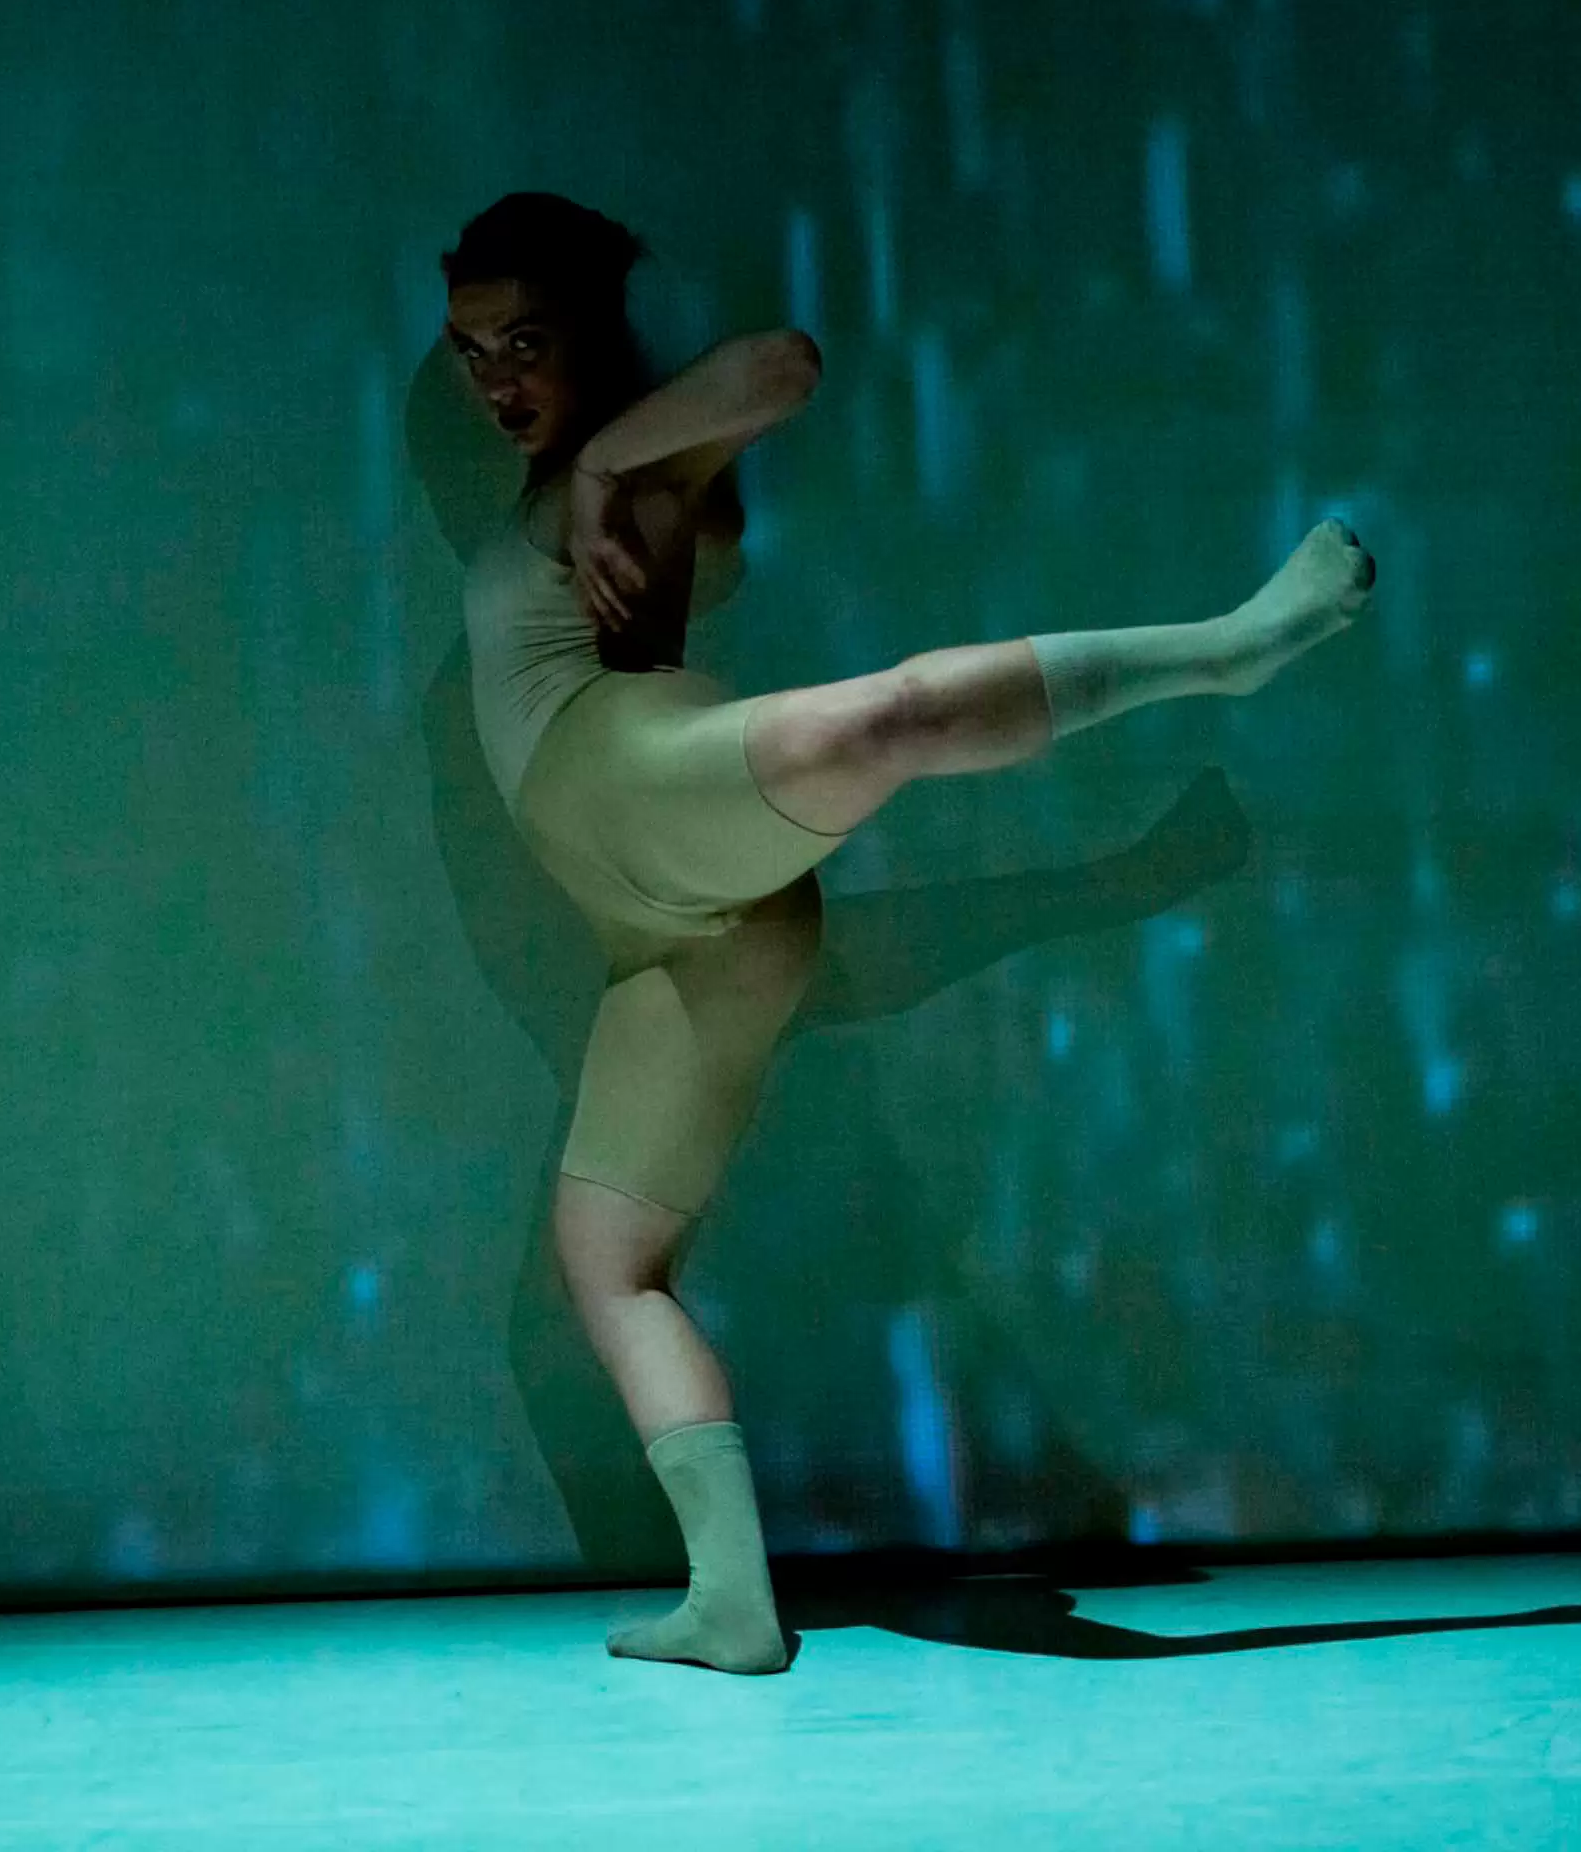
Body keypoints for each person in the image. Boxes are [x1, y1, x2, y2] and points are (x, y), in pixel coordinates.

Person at [439, 191, 1375, 1673]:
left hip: (627, 786)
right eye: (473, 350)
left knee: (884, 719)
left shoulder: (618, 475)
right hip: (672, 929)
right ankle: (731, 1601)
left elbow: (784, 367)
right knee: (606, 1258)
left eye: (528, 343)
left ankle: (1234, 650)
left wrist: (618, 452)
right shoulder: (585, 484)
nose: (496, 381)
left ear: (600, 342)